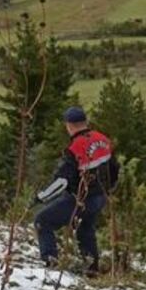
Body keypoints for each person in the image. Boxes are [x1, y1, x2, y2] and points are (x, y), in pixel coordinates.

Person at [33, 106, 119, 274]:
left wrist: (41, 197)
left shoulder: (75, 148)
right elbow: (115, 168)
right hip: (100, 197)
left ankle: (51, 263)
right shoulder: (103, 139)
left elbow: (62, 181)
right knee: (85, 229)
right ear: (86, 122)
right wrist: (108, 191)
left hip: (81, 198)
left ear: (69, 126)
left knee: (42, 221)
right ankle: (92, 269)